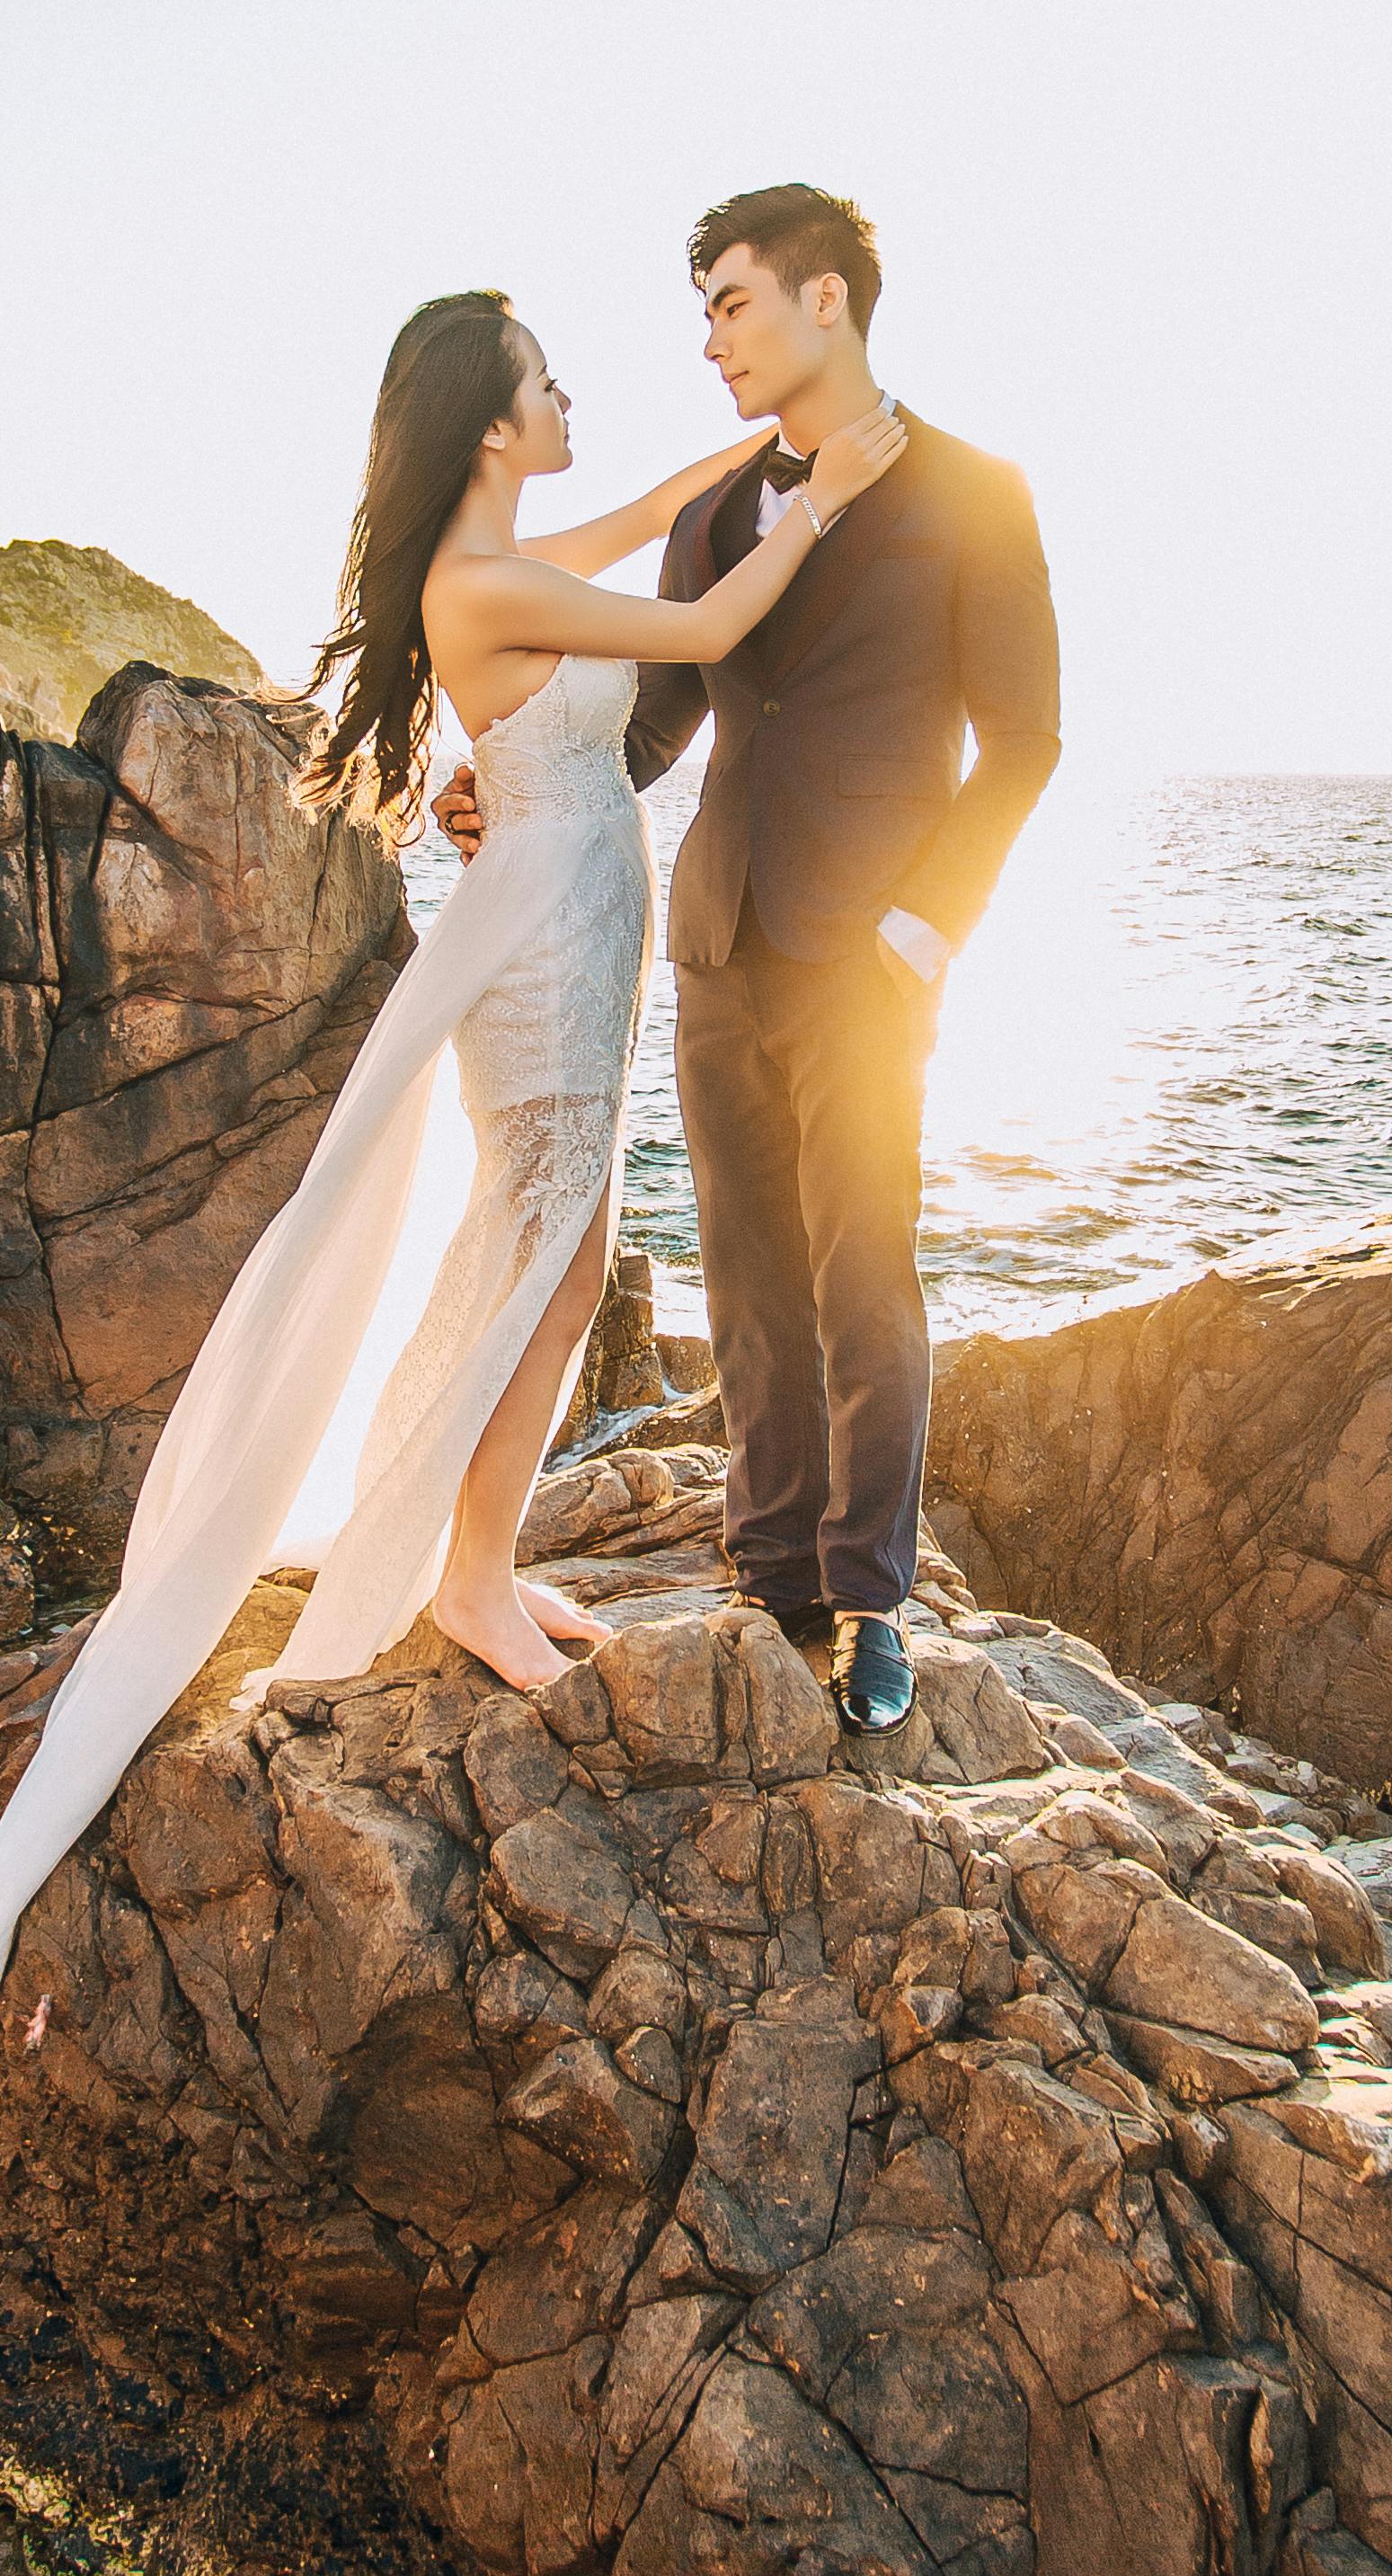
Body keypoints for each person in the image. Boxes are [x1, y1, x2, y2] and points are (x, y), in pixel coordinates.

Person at [0, 286, 902, 2216]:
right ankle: (466, 1574)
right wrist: (833, 502)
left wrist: (772, 445)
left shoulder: (502, 554)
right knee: (548, 1251)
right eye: (549, 378)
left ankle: (470, 1558)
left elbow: (658, 514)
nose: (577, 395)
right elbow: (703, 626)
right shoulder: (487, 591)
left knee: (555, 1252)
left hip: (571, 905)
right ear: (490, 421)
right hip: (546, 934)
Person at [446, 185, 1057, 1734]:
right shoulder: (722, 518)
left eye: (728, 300)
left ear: (827, 301)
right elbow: (668, 716)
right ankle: (768, 1564)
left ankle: (869, 1601)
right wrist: (517, 769)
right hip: (715, 938)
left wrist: (928, 928)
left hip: (875, 952)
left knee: (866, 1271)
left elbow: (1027, 742)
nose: (708, 333)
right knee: (749, 1278)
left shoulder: (981, 492)